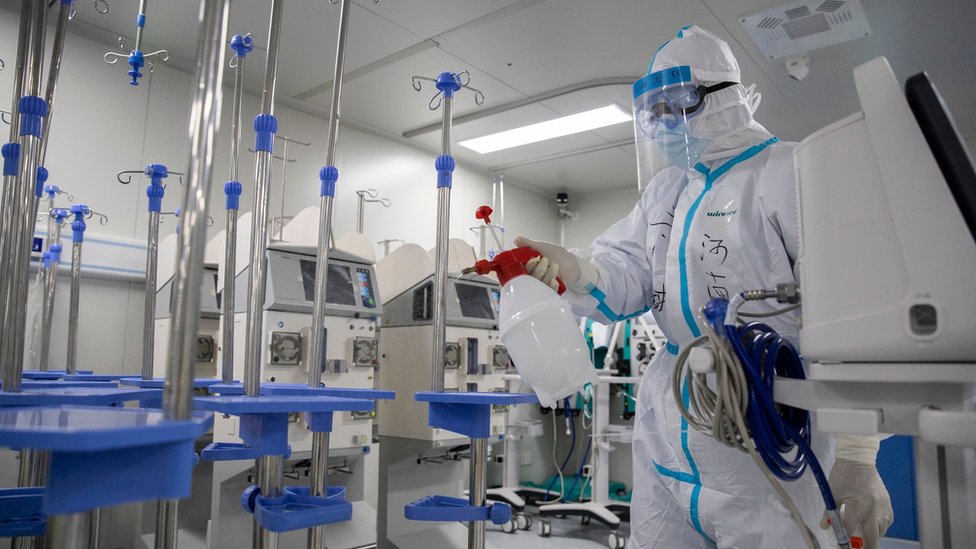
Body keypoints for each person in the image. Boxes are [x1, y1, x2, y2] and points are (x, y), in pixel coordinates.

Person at [515, 25, 892, 548]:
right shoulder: (666, 192)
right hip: (670, 426)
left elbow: (859, 310)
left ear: (729, 96)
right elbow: (627, 278)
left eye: (680, 103)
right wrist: (578, 270)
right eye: (657, 112)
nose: (666, 123)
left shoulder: (789, 171)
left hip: (766, 434)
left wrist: (857, 453)